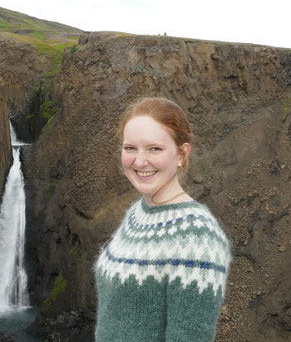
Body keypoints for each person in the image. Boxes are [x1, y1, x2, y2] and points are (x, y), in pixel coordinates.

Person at [94, 97, 231, 342]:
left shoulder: (197, 235)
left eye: (154, 148)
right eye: (130, 148)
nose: (139, 161)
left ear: (181, 153)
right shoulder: (138, 213)